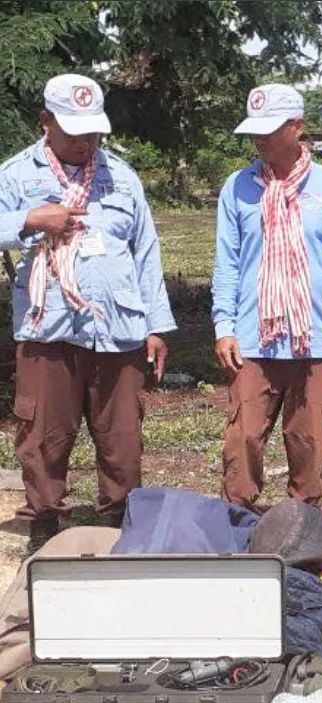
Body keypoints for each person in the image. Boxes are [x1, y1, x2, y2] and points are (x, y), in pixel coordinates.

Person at [0, 74, 175, 555]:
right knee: (44, 437)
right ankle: (45, 525)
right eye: (74, 130)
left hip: (117, 331)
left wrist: (156, 325)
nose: (85, 141)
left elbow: (146, 252)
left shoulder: (121, 176)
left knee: (121, 439)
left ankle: (119, 524)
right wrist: (30, 220)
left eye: (93, 131)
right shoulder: (16, 176)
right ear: (45, 122)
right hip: (47, 329)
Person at [212, 84, 322, 511]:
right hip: (253, 337)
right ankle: (236, 523)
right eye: (255, 131)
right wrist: (223, 327)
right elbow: (227, 264)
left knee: (311, 441)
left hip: (312, 339)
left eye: (270, 129)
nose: (260, 139)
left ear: (297, 127)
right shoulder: (238, 188)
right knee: (243, 438)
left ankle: (303, 526)